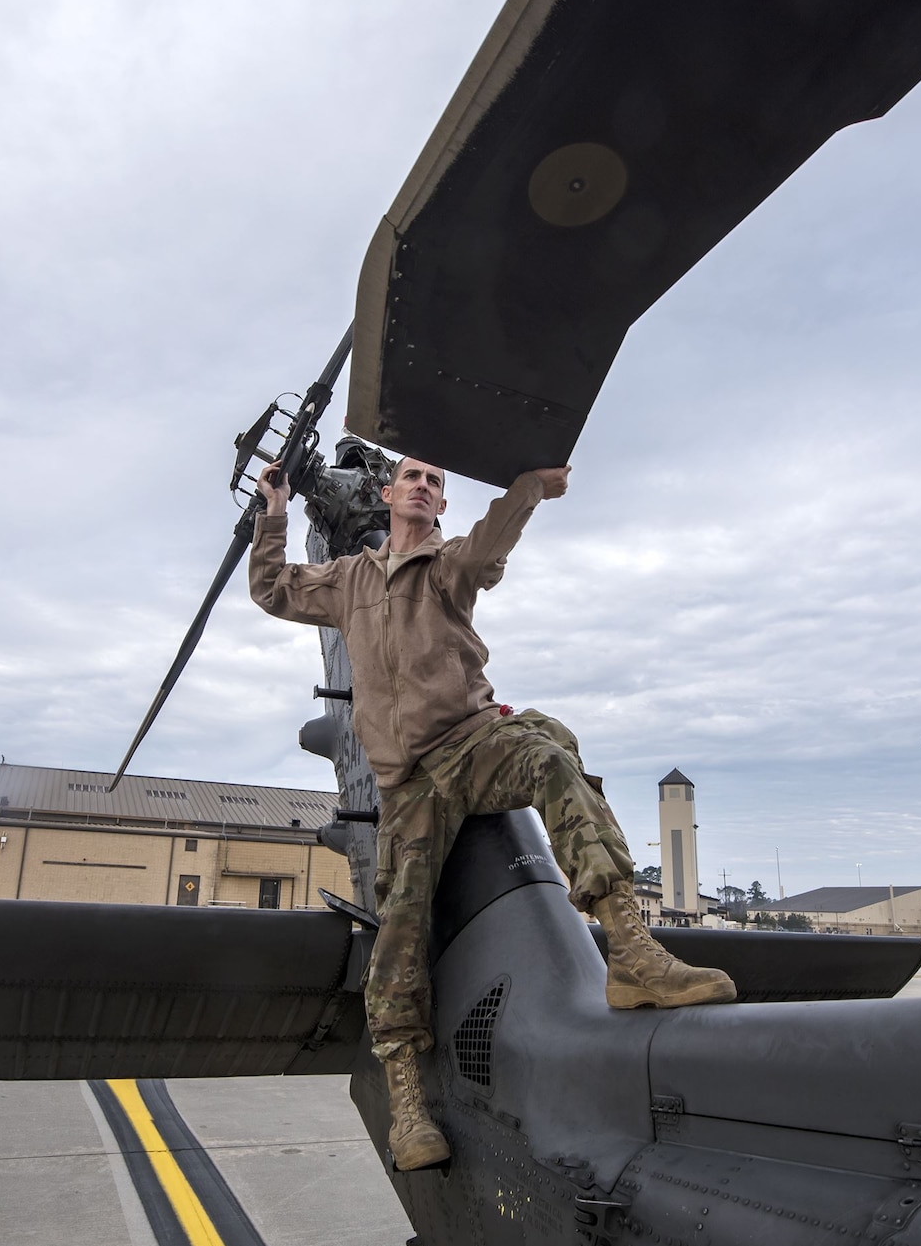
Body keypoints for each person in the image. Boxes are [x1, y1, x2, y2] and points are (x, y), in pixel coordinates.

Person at [249, 456, 735, 1170]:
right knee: (399, 931)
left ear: (440, 504)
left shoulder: (450, 565)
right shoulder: (349, 581)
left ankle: (631, 951)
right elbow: (271, 588)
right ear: (387, 494)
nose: (421, 485)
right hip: (407, 784)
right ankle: (408, 1100)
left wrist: (529, 487)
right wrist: (274, 509)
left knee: (550, 759)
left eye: (434, 482)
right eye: (411, 477)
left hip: (472, 744)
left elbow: (491, 541)